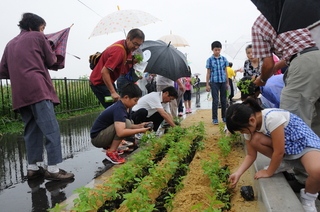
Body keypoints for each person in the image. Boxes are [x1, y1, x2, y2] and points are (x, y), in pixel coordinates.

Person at [0, 13, 74, 180]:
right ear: (33, 27)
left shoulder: (10, 44)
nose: (43, 32)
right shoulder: (38, 37)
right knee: (50, 128)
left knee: (31, 129)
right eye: (42, 28)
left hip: (20, 93)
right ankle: (53, 169)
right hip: (38, 89)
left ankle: (33, 167)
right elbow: (50, 60)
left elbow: (3, 71)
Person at [226, 98, 320, 212]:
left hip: (303, 144)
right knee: (254, 140)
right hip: (286, 149)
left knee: (317, 171)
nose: (243, 133)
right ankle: (283, 163)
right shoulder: (250, 127)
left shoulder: (272, 118)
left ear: (251, 120)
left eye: (242, 131)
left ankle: (308, 198)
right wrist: (238, 173)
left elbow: (279, 151)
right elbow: (251, 155)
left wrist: (269, 171)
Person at [251, 14, 320, 137]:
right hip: (315, 54)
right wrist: (276, 67)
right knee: (316, 117)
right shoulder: (293, 15)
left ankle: (297, 155)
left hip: (303, 65)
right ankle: (314, 152)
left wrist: (262, 79)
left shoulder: (259, 24)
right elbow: (298, 50)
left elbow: (268, 64)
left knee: (291, 118)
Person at [90, 83, 151, 164]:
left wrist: (140, 126)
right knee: (125, 125)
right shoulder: (119, 109)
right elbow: (121, 132)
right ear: (126, 97)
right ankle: (111, 152)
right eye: (135, 100)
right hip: (97, 139)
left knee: (129, 122)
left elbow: (129, 125)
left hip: (103, 135)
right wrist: (140, 131)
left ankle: (111, 146)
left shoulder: (125, 107)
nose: (136, 103)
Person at [89, 28, 145, 109]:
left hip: (107, 82)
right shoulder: (119, 51)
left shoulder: (126, 47)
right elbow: (104, 72)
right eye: (135, 43)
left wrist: (132, 61)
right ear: (128, 38)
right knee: (116, 109)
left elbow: (122, 61)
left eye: (139, 45)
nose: (136, 47)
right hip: (99, 83)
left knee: (117, 107)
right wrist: (113, 92)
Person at [206, 41, 229, 125]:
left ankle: (224, 117)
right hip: (214, 82)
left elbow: (226, 71)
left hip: (223, 81)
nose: (217, 52)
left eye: (219, 50)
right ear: (212, 50)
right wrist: (207, 84)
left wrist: (227, 82)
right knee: (215, 100)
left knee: (224, 100)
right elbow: (208, 73)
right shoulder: (209, 60)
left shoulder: (224, 59)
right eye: (216, 50)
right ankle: (215, 118)